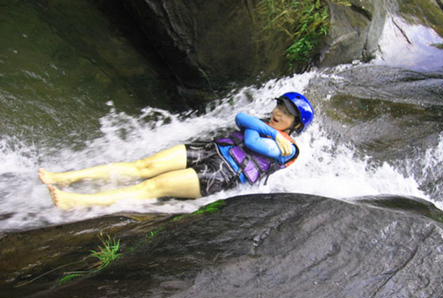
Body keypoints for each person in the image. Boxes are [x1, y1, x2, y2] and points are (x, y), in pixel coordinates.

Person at [38, 92, 314, 210]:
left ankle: (74, 201)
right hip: (209, 150)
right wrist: (265, 128)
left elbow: (252, 142)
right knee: (142, 167)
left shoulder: (289, 149)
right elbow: (241, 118)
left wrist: (259, 127)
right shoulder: (270, 129)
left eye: (287, 113)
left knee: (154, 185)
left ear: (296, 124)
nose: (278, 112)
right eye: (279, 105)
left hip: (222, 174)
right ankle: (64, 177)